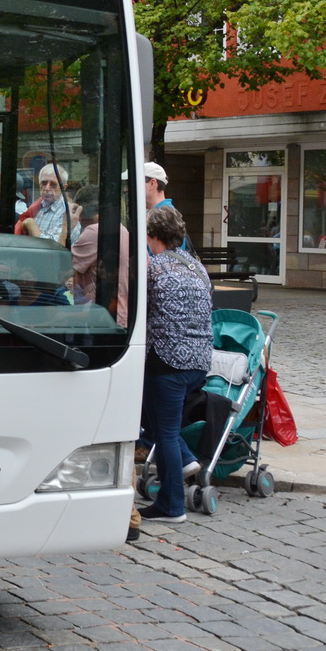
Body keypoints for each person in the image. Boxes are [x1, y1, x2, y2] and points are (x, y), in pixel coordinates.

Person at [138, 204, 212, 526]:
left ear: (151, 235)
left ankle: (171, 505)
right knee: (156, 422)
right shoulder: (197, 267)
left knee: (165, 433)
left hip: (168, 361)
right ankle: (184, 458)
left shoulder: (154, 268)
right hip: (199, 361)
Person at [70, 185, 130, 327]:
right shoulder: (123, 231)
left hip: (98, 319)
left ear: (80, 212)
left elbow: (63, 274)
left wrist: (68, 225)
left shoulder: (94, 231)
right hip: (121, 315)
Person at [16, 164, 77, 246]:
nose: (47, 188)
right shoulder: (35, 207)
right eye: (44, 183)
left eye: (53, 184)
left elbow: (55, 247)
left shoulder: (68, 213)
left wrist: (30, 224)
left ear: (64, 187)